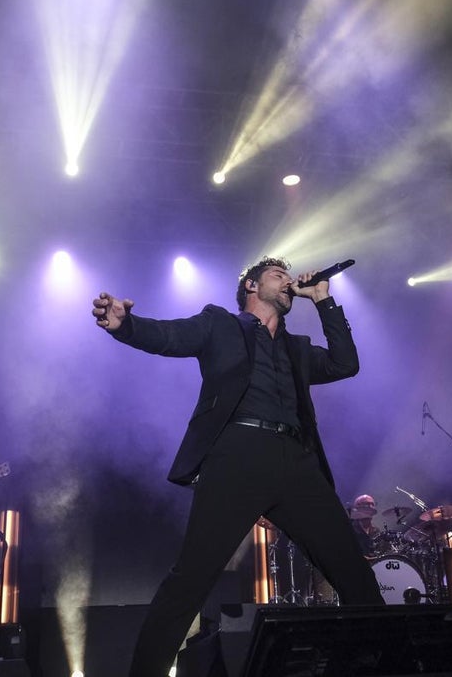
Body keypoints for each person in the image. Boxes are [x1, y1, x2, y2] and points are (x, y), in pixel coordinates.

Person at [92, 256, 384, 677]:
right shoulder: (220, 324)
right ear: (251, 285)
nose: (288, 283)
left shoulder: (296, 347)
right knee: (190, 581)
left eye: (289, 277)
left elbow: (345, 363)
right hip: (238, 453)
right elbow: (170, 336)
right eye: (278, 276)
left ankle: (379, 666)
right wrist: (125, 325)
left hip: (296, 460)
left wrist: (322, 299)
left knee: (354, 574)